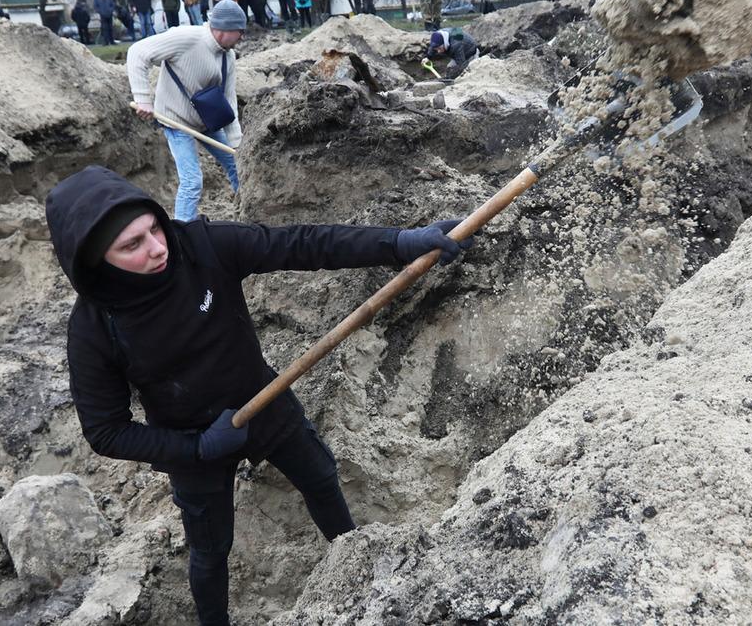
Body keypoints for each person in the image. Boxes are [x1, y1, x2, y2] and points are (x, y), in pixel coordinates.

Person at [43, 165, 474, 626]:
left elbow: (302, 243)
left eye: (154, 228)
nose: (157, 247)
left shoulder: (200, 247)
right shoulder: (93, 330)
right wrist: (196, 447)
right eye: (132, 245)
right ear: (95, 259)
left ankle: (357, 565)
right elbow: (105, 431)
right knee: (211, 551)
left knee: (321, 479)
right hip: (191, 443)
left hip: (263, 398)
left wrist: (399, 243)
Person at [126, 0, 246, 221]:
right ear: (225, 29)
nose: (242, 38)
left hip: (207, 120)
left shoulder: (227, 56)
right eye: (240, 32)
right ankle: (182, 232)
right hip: (176, 120)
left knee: (238, 166)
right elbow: (137, 52)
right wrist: (143, 99)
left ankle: (250, 213)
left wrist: (236, 143)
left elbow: (229, 100)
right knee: (192, 181)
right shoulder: (186, 38)